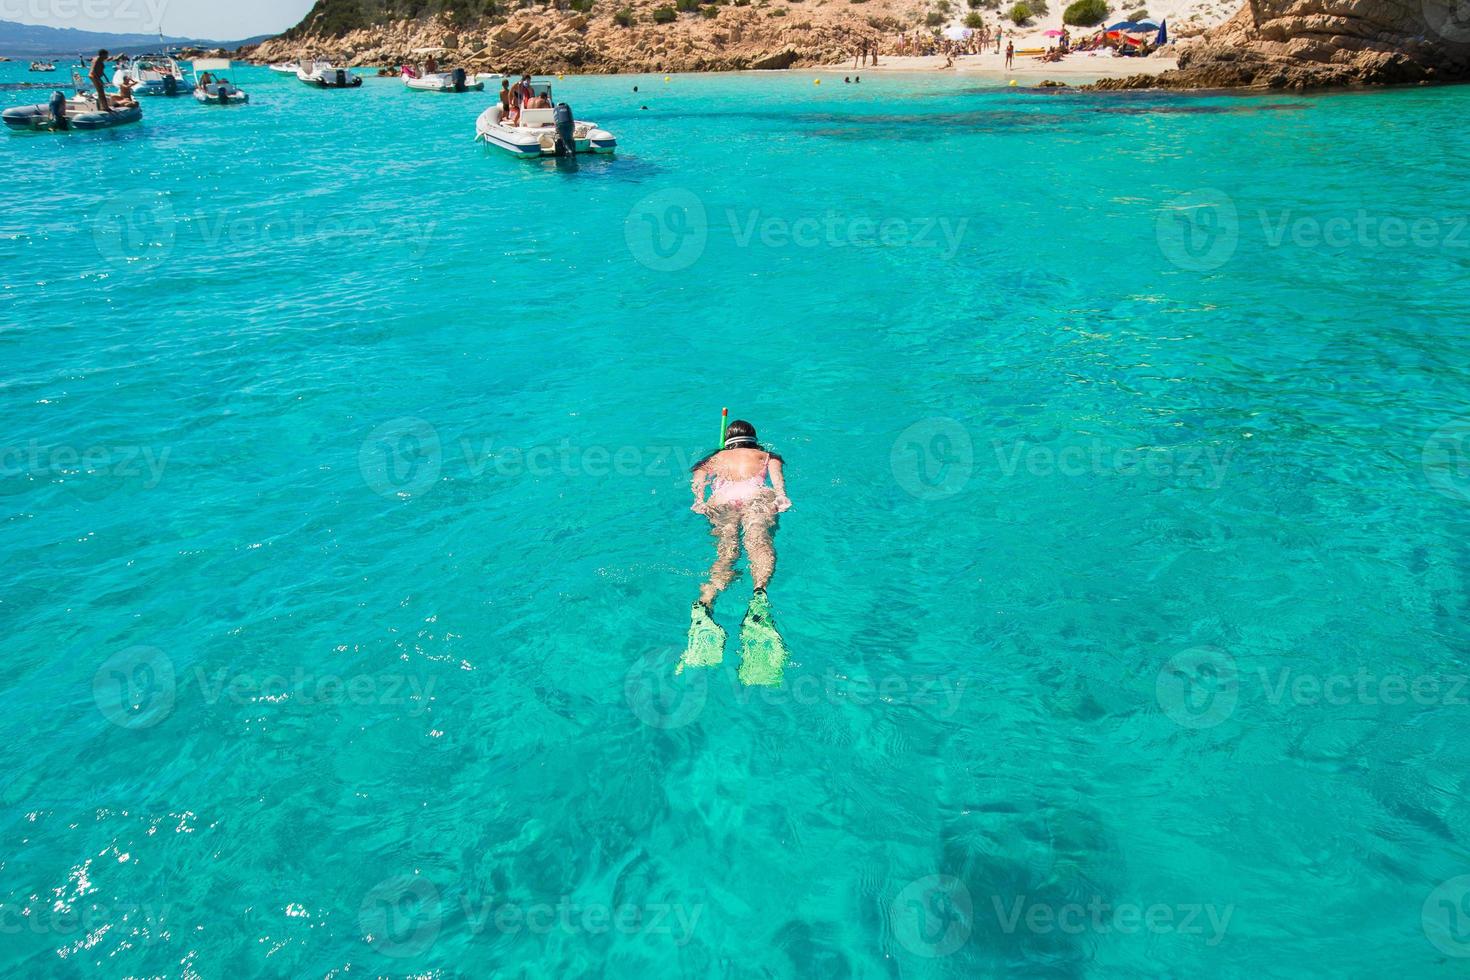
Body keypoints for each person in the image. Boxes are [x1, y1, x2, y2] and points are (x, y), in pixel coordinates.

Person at [682, 419, 792, 683]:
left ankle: (705, 604)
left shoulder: (712, 460)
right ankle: (759, 596)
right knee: (759, 544)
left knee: (726, 554)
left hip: (722, 500)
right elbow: (778, 485)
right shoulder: (767, 456)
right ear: (753, 439)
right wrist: (781, 497)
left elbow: (698, 485)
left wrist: (698, 501)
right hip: (756, 496)